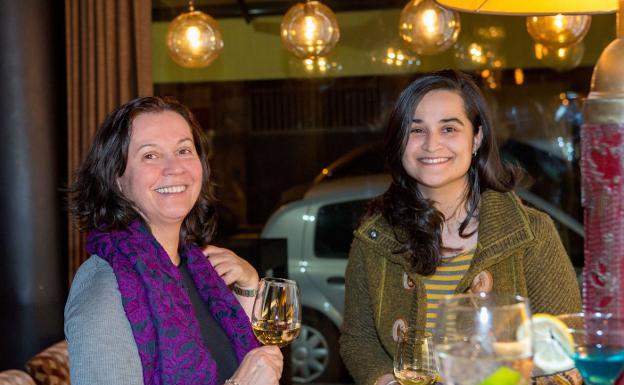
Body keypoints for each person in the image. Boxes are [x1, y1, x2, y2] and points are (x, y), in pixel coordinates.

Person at [339, 70, 581, 385]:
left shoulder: (531, 234)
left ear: (477, 138)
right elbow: (358, 338)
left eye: (449, 128)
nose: (431, 144)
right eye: (416, 130)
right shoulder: (374, 237)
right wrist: (385, 381)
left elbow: (563, 346)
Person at [64, 96, 283, 385]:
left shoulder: (199, 270)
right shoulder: (104, 284)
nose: (174, 168)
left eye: (183, 150)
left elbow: (243, 360)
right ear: (117, 178)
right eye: (150, 155)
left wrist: (248, 287)